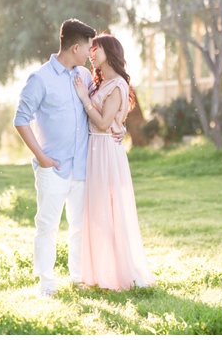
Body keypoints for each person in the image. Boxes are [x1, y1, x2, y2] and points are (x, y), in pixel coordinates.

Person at [14, 18, 123, 298]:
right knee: (47, 226)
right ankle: (46, 283)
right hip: (53, 167)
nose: (91, 52)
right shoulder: (40, 79)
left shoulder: (85, 77)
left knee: (80, 227)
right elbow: (21, 120)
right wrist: (42, 157)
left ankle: (78, 277)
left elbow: (102, 109)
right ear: (76, 47)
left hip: (83, 167)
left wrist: (118, 128)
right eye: (88, 47)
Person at [73, 33, 156, 291]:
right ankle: (98, 270)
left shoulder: (117, 84)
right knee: (96, 213)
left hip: (107, 152)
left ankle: (118, 272)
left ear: (109, 51)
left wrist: (84, 98)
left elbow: (104, 122)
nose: (91, 53)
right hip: (95, 149)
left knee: (110, 211)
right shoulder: (100, 83)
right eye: (90, 49)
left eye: (96, 49)